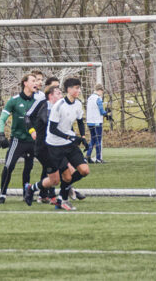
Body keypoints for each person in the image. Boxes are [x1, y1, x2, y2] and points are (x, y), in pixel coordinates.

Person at [42, 77, 90, 211]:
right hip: (55, 145)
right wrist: (69, 136)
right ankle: (62, 199)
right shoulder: (59, 106)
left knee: (84, 171)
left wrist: (83, 137)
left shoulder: (78, 104)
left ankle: (62, 196)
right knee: (67, 177)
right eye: (76, 88)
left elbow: (80, 121)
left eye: (79, 88)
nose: (78, 90)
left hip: (69, 143)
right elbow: (52, 129)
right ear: (69, 90)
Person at [0, 74, 38, 204]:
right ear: (25, 83)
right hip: (17, 140)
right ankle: (2, 194)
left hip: (32, 141)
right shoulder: (14, 100)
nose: (36, 83)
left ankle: (27, 195)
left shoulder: (37, 101)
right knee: (9, 166)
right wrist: (1, 134)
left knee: (28, 168)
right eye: (33, 81)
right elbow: (2, 119)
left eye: (37, 81)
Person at [23, 84, 63, 206]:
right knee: (57, 175)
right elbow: (27, 116)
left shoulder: (62, 106)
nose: (61, 95)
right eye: (58, 93)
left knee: (58, 175)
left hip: (57, 145)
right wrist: (32, 130)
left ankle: (38, 191)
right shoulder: (42, 104)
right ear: (50, 95)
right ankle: (55, 197)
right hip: (43, 147)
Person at [85, 84, 111, 163]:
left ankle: (87, 157)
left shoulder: (89, 98)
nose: (102, 94)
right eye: (102, 92)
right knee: (98, 140)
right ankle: (98, 158)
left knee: (93, 139)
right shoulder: (98, 98)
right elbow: (101, 111)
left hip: (89, 122)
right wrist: (107, 113)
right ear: (100, 90)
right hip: (97, 122)